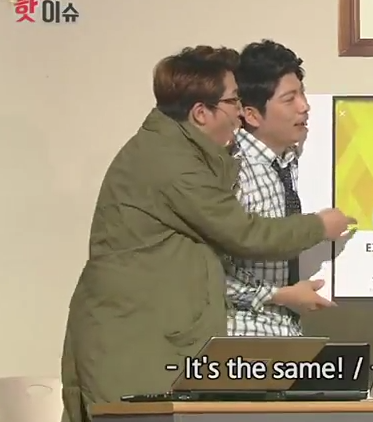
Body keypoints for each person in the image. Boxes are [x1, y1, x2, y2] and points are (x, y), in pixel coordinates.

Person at [60, 45, 355, 422]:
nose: (239, 112)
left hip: (156, 336)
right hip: (134, 340)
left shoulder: (186, 151)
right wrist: (319, 226)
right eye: (232, 102)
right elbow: (245, 234)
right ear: (201, 112)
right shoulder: (174, 163)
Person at [225, 40, 336, 337]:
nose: (304, 106)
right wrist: (279, 295)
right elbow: (204, 275)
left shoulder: (297, 161)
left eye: (302, 93)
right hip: (243, 337)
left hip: (287, 333)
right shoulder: (230, 172)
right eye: (289, 99)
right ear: (251, 115)